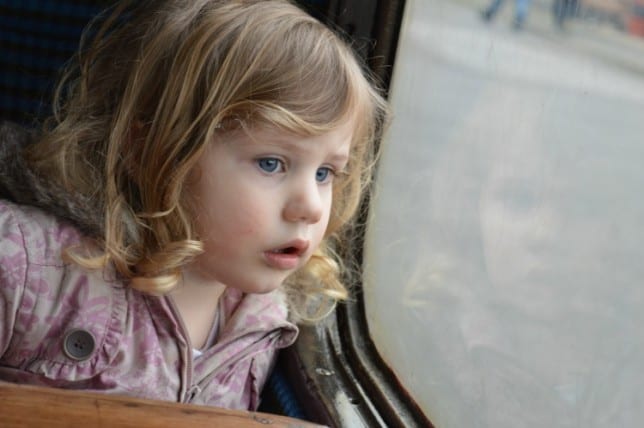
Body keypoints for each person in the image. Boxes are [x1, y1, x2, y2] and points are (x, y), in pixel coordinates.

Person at [0, 0, 388, 411]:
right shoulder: (27, 267)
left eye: (326, 173)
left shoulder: (263, 321)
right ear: (151, 151)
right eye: (271, 163)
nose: (310, 206)